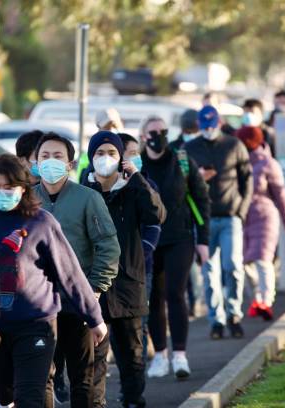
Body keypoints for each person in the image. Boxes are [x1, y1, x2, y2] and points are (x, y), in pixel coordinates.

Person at [0, 154, 107, 407]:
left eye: (9, 187)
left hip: (36, 323)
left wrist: (94, 317)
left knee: (30, 397)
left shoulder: (41, 222)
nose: (3, 192)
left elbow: (70, 274)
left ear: (23, 189)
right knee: (4, 396)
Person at [33, 133, 120, 407]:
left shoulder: (88, 198)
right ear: (35, 163)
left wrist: (95, 288)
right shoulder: (25, 200)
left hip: (78, 301)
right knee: (42, 375)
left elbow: (108, 245)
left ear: (70, 164)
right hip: (39, 304)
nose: (50, 162)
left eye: (57, 156)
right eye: (45, 156)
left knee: (81, 376)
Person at [82, 131, 165, 408]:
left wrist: (137, 178)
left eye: (112, 153)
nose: (105, 159)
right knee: (93, 357)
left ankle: (132, 400)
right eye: (99, 153)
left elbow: (157, 214)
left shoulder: (133, 190)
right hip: (94, 287)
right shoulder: (83, 192)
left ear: (121, 159)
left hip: (129, 283)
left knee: (132, 354)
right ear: (90, 158)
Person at [138, 115, 210, 380]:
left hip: (180, 237)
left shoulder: (181, 161)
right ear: (143, 136)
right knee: (154, 297)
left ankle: (180, 354)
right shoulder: (138, 164)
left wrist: (203, 240)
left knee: (175, 292)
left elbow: (201, 199)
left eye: (163, 131)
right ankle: (160, 355)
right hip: (149, 240)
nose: (159, 136)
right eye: (153, 132)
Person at [184, 106, 253, 339]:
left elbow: (247, 178)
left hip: (230, 215)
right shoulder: (190, 148)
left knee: (232, 266)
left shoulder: (233, 145)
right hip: (203, 219)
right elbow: (180, 182)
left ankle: (234, 313)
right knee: (209, 271)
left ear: (219, 122)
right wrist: (197, 178)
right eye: (205, 127)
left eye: (212, 126)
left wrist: (241, 210)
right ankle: (216, 319)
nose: (209, 130)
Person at [236, 126, 285, 320]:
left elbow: (281, 195)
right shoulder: (236, 162)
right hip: (243, 218)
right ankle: (256, 297)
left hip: (265, 217)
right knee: (244, 263)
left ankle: (266, 301)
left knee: (263, 260)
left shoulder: (268, 163)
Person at [120, 132, 162, 359]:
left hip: (141, 267)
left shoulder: (146, 184)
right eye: (132, 153)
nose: (137, 157)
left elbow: (154, 224)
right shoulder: (100, 186)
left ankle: (139, 373)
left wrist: (141, 252)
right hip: (112, 270)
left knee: (139, 324)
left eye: (138, 153)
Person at [168, 111, 204, 317]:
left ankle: (195, 301)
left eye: (194, 129)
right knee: (187, 267)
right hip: (179, 215)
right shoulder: (175, 149)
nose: (191, 133)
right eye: (188, 130)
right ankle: (189, 300)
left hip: (194, 213)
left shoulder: (202, 146)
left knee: (195, 264)